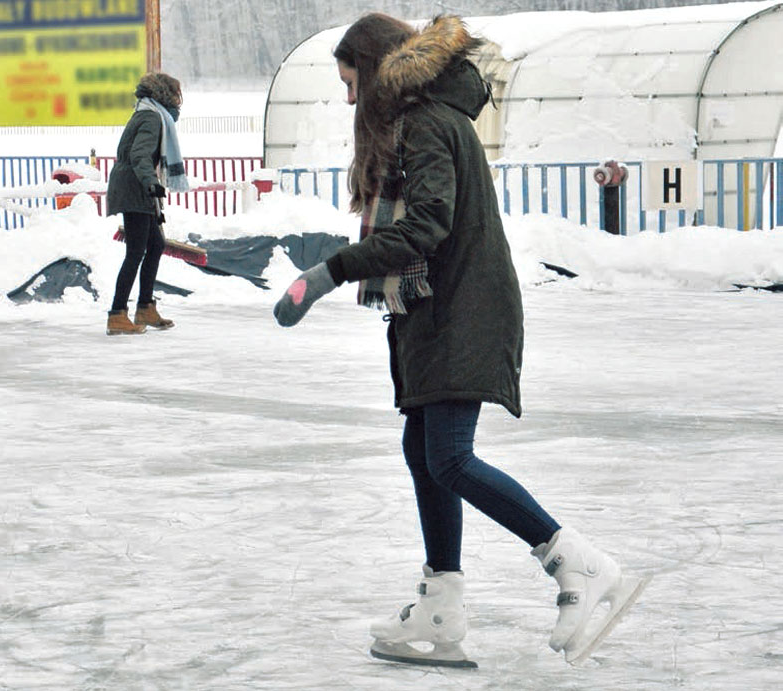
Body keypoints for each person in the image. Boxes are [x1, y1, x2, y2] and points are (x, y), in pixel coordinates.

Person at [273, 14, 647, 667]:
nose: (349, 101)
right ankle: (443, 602)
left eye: (351, 83)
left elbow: (427, 226)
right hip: (439, 310)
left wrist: (330, 270)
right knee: (423, 448)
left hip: (461, 310)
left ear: (377, 69)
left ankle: (577, 563)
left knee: (446, 455)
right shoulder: (428, 123)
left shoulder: (424, 126)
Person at [105, 71, 188, 335]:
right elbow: (139, 154)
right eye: (176, 95)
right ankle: (117, 314)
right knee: (136, 250)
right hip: (134, 187)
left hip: (137, 185)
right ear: (165, 95)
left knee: (155, 244)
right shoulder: (152, 117)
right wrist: (151, 182)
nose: (179, 101)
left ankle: (145, 307)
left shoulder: (149, 113)